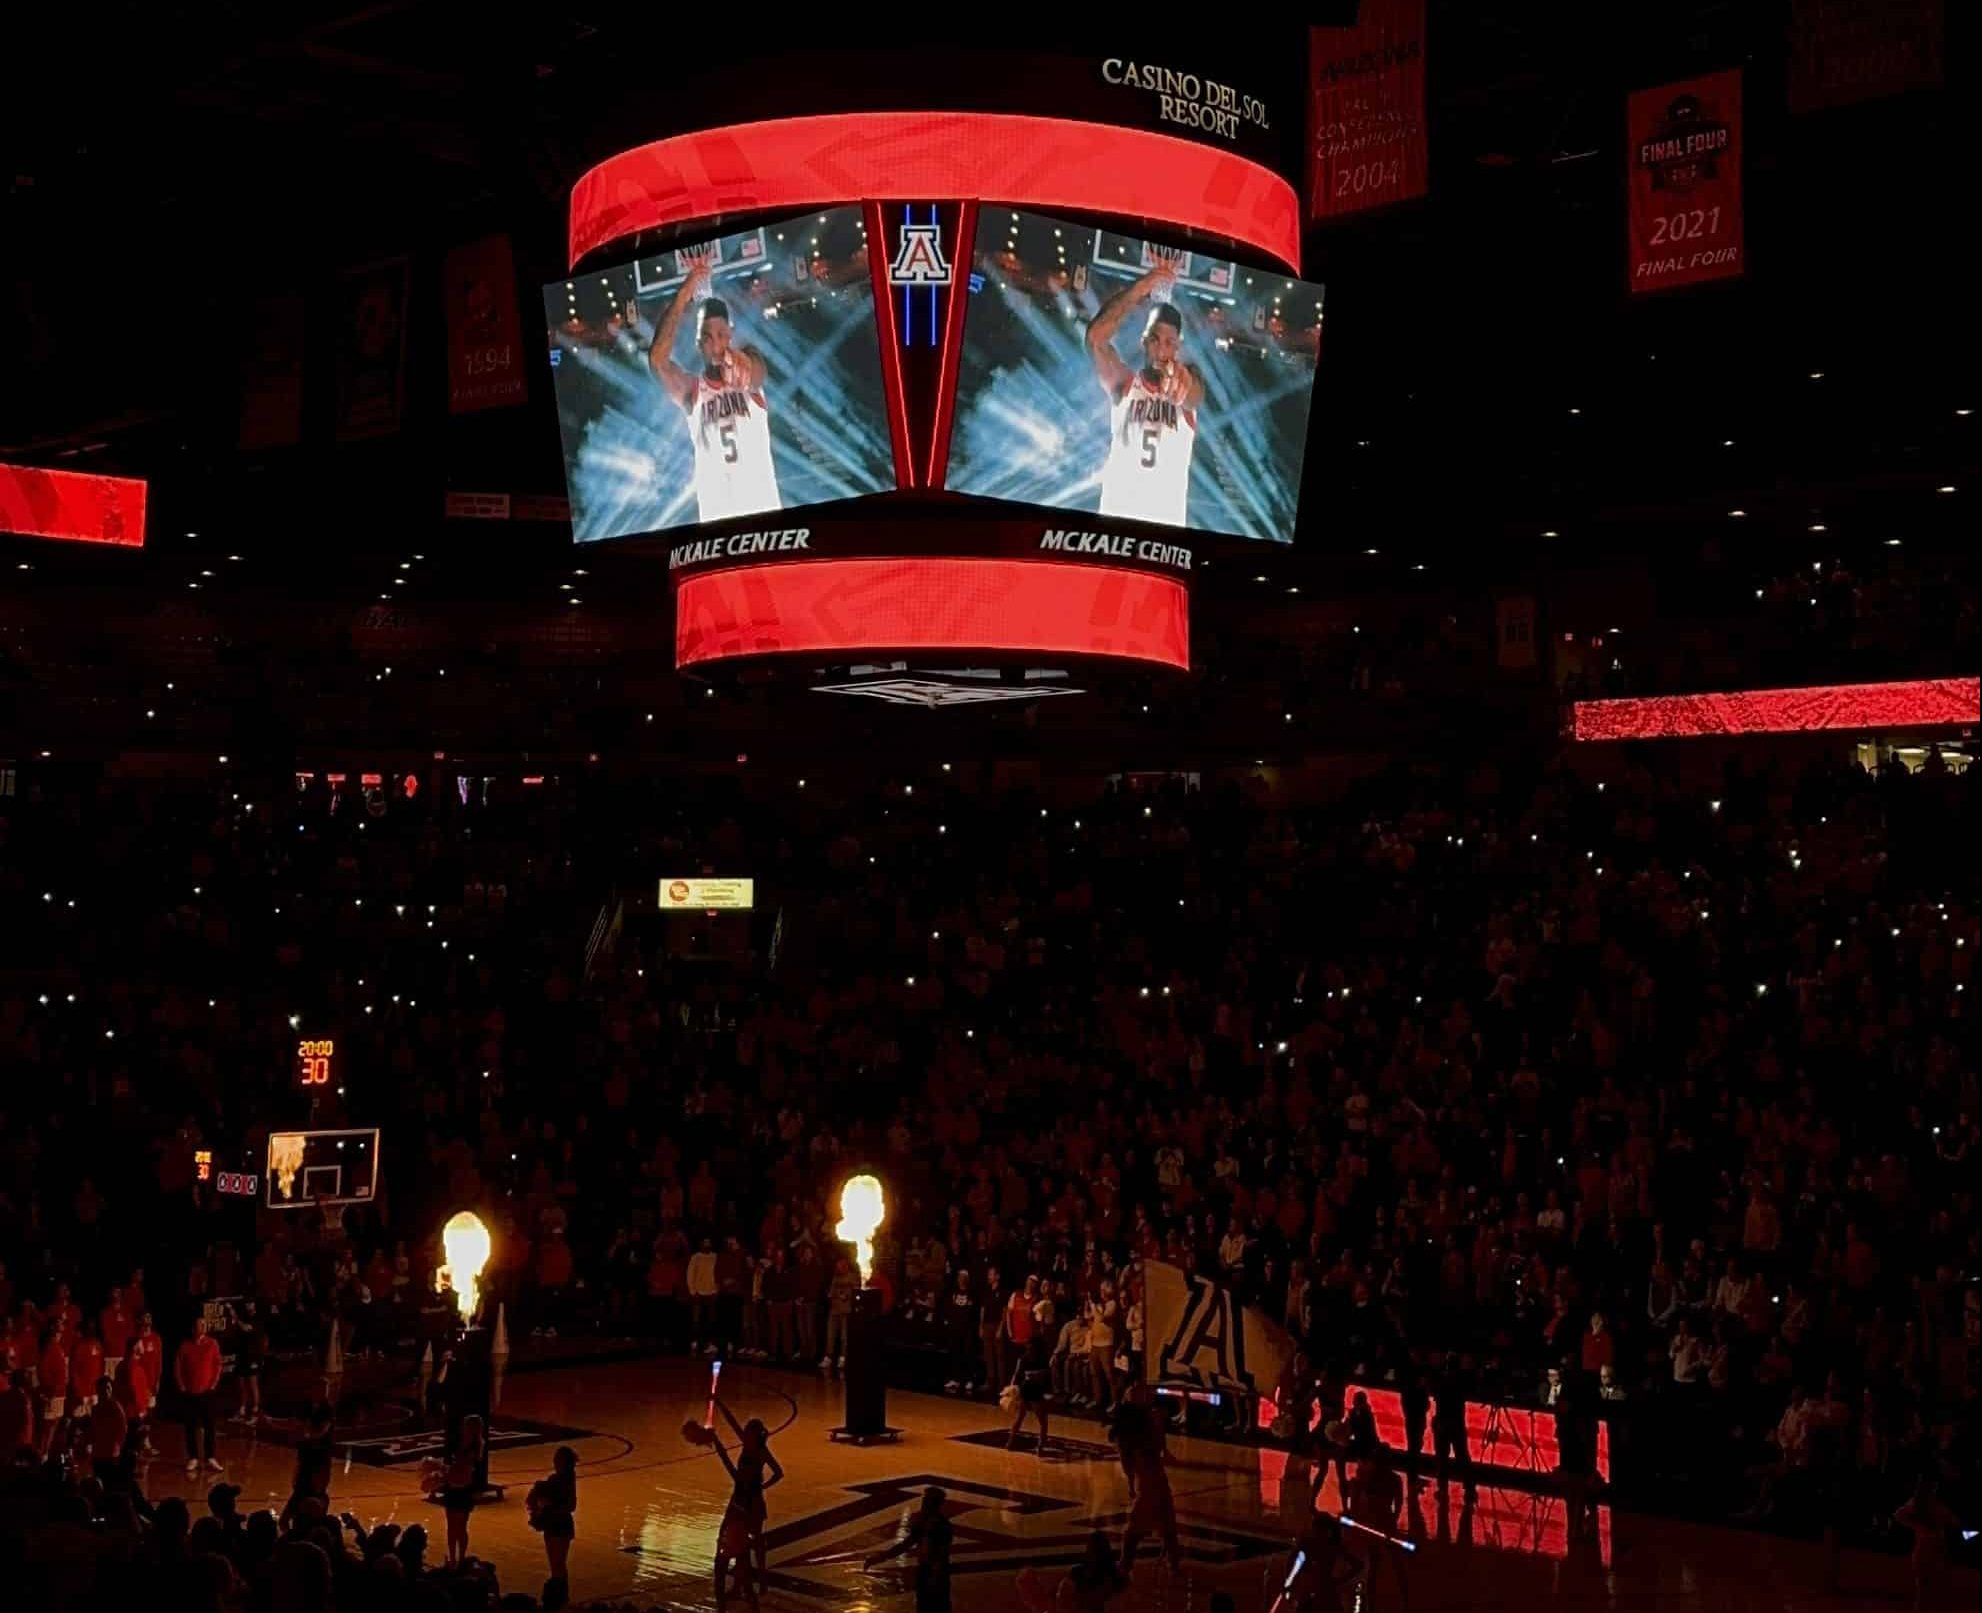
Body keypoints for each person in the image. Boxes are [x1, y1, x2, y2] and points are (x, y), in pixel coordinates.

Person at [638, 262, 782, 522]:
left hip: (763, 512)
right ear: (697, 344)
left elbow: (757, 371)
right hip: (718, 520)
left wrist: (744, 365)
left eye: (721, 334)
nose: (716, 345)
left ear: (731, 335)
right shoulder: (693, 391)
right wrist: (684, 294)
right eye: (707, 337)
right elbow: (658, 361)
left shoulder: (748, 366)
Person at [1087, 262, 1204, 527]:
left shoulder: (1188, 381)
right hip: (1116, 519)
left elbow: (1195, 395)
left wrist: (1183, 381)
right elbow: (1095, 339)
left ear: (1178, 347)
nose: (1161, 349)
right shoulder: (1125, 385)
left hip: (1163, 526)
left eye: (1169, 342)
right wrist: (1140, 289)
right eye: (1154, 339)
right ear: (1143, 340)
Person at [711, 1395, 784, 1610]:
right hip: (738, 1498)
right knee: (736, 1542)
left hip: (751, 1502)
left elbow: (779, 1472)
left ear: (756, 1435)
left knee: (752, 1545)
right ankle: (742, 1586)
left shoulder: (761, 1451)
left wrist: (763, 1487)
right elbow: (733, 1423)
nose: (745, 1434)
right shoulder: (747, 1443)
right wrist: (720, 1403)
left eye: (749, 1432)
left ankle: (755, 1581)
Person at [1113, 1397, 1180, 1578]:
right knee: (1167, 1525)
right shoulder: (1147, 1429)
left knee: (1134, 1529)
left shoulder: (1130, 1438)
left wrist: (1130, 1485)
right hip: (1158, 1480)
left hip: (1147, 1483)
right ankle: (1173, 1564)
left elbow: (1127, 1466)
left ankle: (1124, 1565)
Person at [865, 1483, 955, 1613]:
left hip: (934, 1575)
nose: (922, 1504)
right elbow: (907, 1544)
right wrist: (881, 1557)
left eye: (925, 1501)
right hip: (930, 1573)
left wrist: (934, 1576)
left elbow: (939, 1553)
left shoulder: (940, 1526)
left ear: (931, 1504)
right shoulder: (927, 1524)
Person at [528, 1444, 580, 1608]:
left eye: (558, 1459)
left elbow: (571, 1506)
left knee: (557, 1564)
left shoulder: (563, 1480)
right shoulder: (563, 1478)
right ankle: (561, 1597)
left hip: (559, 1525)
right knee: (557, 1564)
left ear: (565, 1462)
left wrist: (550, 1508)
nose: (555, 1461)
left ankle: (560, 1597)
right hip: (555, 1524)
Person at [1284, 1511, 1364, 1613]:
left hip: (1319, 1592)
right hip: (1320, 1592)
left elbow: (1291, 1562)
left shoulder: (1312, 1544)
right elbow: (1358, 1565)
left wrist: (1290, 1584)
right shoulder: (1319, 1545)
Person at [174, 1315, 224, 1475]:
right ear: (193, 1328)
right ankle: (193, 1457)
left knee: (210, 1425)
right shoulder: (185, 1345)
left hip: (207, 1392)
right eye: (197, 1325)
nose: (200, 1328)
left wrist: (213, 1384)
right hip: (190, 1392)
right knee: (190, 1426)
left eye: (203, 1325)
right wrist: (181, 1385)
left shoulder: (212, 1344)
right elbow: (178, 1365)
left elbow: (218, 1364)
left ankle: (210, 1457)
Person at [442, 1412, 485, 1568]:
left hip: (463, 1489)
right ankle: (453, 1557)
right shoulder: (458, 1442)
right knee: (451, 1525)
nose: (462, 1428)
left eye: (466, 1425)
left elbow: (466, 1465)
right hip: (452, 1487)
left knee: (460, 1526)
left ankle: (460, 1558)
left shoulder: (475, 1446)